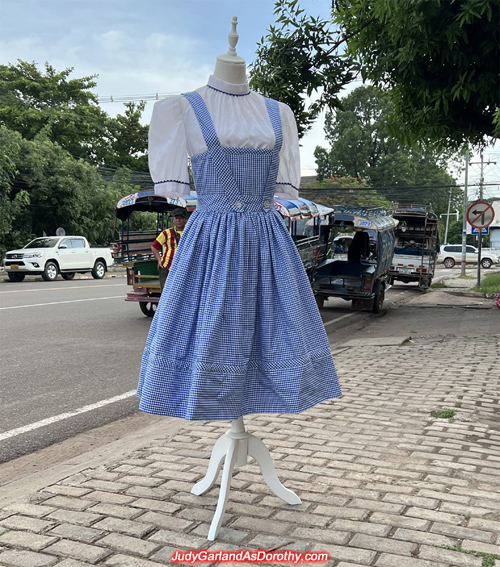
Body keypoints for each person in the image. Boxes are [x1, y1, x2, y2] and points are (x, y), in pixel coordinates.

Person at [137, 19, 341, 421]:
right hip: (210, 241)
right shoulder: (182, 108)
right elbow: (174, 186)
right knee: (212, 328)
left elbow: (283, 192)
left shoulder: (278, 113)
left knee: (274, 328)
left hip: (267, 241)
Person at [151, 208, 189, 292]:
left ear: (186, 220)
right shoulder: (166, 233)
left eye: (181, 218)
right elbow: (154, 246)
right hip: (167, 266)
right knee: (165, 292)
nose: (179, 220)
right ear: (173, 220)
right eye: (176, 218)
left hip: (184, 267)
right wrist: (159, 260)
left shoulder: (190, 233)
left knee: (182, 291)